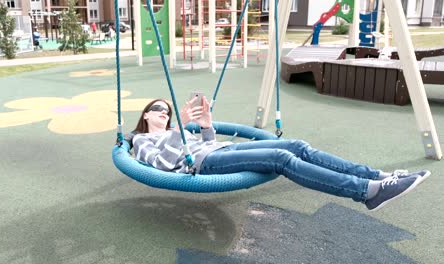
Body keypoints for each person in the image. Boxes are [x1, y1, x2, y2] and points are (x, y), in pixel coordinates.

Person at [129, 97, 430, 211]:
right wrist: (181, 128)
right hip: (202, 165)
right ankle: (366, 192)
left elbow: (203, 142)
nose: (162, 113)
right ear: (145, 115)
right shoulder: (141, 140)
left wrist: (206, 128)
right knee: (282, 159)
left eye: (166, 111)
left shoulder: (177, 130)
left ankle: (378, 176)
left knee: (296, 146)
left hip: (218, 149)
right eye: (157, 109)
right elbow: (166, 163)